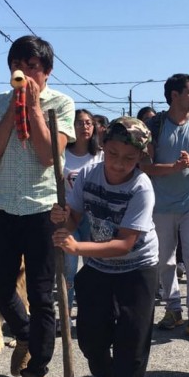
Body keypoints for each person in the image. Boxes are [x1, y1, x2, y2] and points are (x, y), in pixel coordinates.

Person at [50, 117, 159, 377]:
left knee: (131, 345)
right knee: (90, 336)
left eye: (129, 158)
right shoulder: (88, 174)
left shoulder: (141, 187)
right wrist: (63, 219)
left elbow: (125, 244)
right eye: (113, 154)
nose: (119, 164)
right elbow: (74, 217)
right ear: (103, 146)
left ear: (140, 157)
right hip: (98, 267)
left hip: (137, 269)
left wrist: (77, 248)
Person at [0, 35, 75, 377]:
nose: (23, 72)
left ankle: (36, 374)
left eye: (32, 66)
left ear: (47, 71)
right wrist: (12, 110)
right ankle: (26, 334)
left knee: (41, 295)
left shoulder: (61, 103)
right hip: (3, 207)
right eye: (17, 66)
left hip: (43, 210)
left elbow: (49, 155)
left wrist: (33, 107)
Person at [141, 73, 189, 341]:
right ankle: (173, 309)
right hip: (160, 205)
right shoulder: (154, 125)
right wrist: (173, 167)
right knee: (165, 259)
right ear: (175, 95)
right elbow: (145, 166)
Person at [62, 109, 103, 310]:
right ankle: (66, 314)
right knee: (68, 269)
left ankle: (90, 312)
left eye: (88, 123)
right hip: (68, 218)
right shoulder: (63, 154)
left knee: (92, 267)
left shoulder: (101, 155)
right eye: (79, 123)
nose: (84, 127)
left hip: (93, 218)